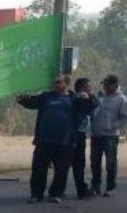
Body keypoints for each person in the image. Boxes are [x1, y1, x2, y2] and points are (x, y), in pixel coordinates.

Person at [16, 75, 97, 203]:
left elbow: (92, 105)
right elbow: (31, 102)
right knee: (38, 169)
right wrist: (21, 99)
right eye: (55, 82)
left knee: (61, 170)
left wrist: (89, 96)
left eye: (58, 82)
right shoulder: (47, 97)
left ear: (66, 83)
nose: (56, 84)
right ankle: (36, 194)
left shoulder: (75, 99)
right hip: (44, 140)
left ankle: (56, 193)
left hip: (65, 142)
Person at [90, 74, 127, 197]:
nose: (105, 87)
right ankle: (95, 186)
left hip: (110, 135)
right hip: (96, 134)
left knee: (110, 162)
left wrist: (111, 126)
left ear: (115, 85)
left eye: (108, 85)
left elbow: (126, 118)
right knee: (95, 161)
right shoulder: (100, 98)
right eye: (104, 84)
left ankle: (111, 187)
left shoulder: (122, 99)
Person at [71, 78, 99, 199]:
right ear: (81, 87)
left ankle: (78, 189)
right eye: (88, 86)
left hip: (80, 134)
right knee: (76, 164)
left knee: (77, 164)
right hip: (74, 134)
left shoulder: (80, 97)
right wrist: (90, 97)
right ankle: (80, 190)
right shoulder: (78, 98)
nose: (90, 88)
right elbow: (93, 104)